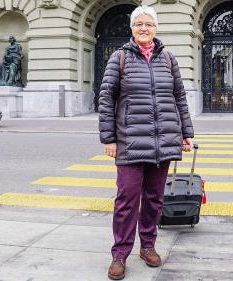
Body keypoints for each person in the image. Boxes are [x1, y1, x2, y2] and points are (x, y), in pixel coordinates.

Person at [98, 5, 194, 280]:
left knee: (154, 199)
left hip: (162, 140)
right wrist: (109, 138)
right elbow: (107, 100)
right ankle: (120, 254)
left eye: (148, 24)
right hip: (129, 141)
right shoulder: (120, 58)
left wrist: (186, 133)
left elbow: (179, 98)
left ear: (156, 28)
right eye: (138, 24)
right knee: (127, 199)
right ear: (132, 29)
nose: (143, 28)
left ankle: (148, 245)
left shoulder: (169, 59)